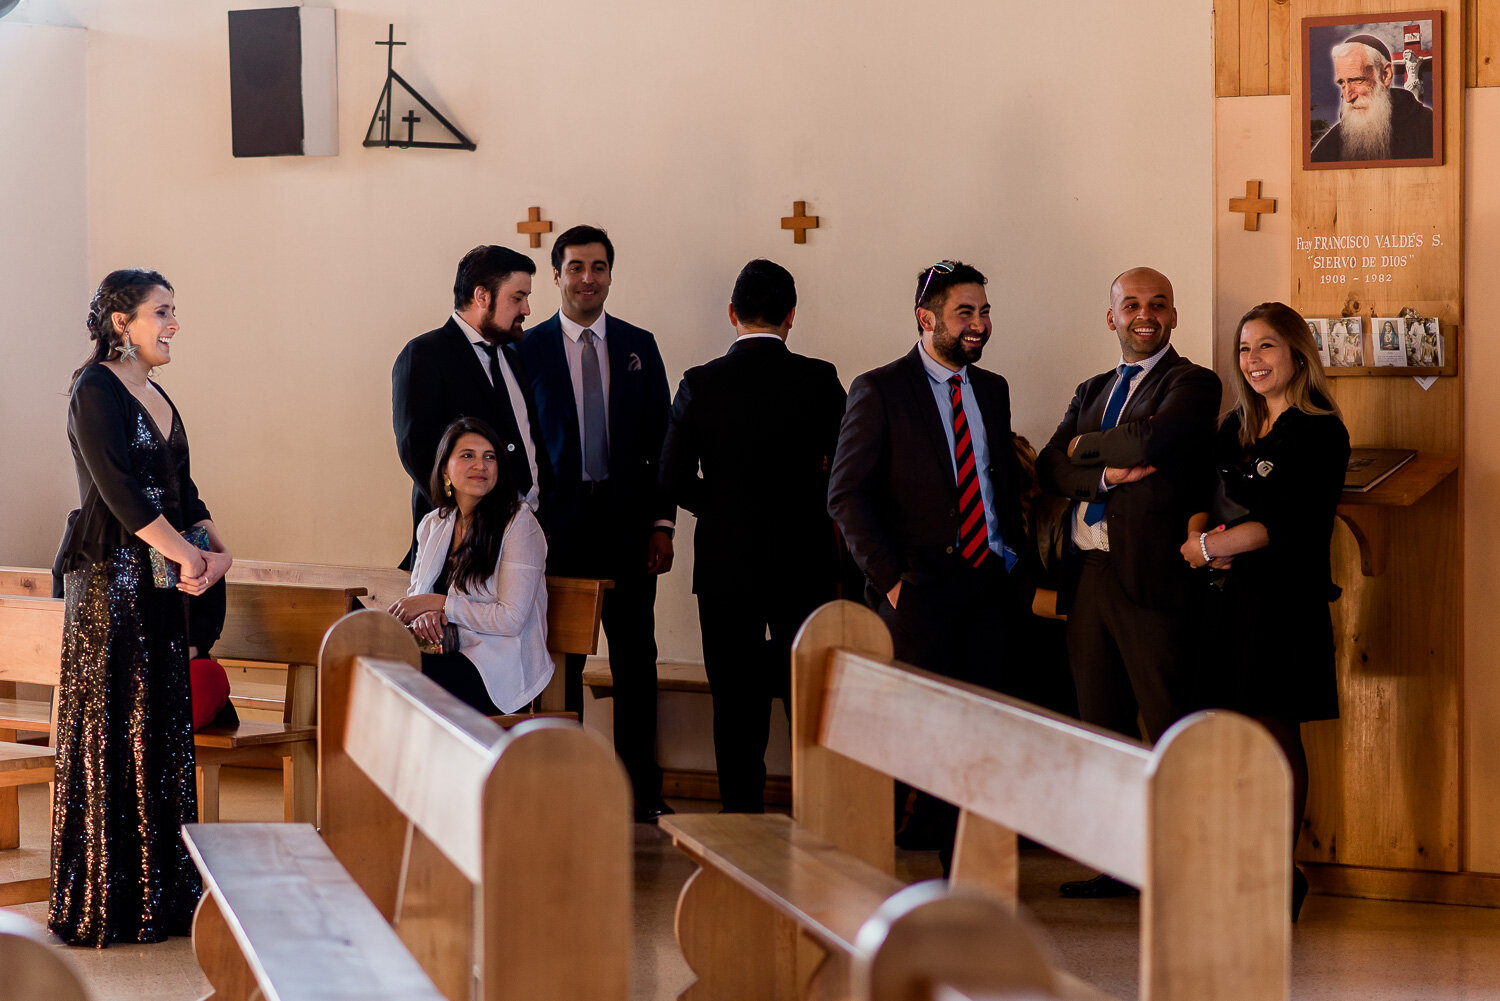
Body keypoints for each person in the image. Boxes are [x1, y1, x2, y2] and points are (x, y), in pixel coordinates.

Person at [827, 260, 1033, 864]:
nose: (979, 324)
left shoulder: (992, 389)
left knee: (980, 735)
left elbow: (996, 480)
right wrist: (890, 581)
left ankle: (966, 873)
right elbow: (846, 494)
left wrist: (1014, 559)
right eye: (965, 312)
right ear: (927, 318)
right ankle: (863, 871)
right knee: (910, 738)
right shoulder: (880, 389)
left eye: (984, 311)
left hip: (989, 586)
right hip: (918, 593)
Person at [49, 269, 233, 947]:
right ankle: (110, 901)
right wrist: (185, 556)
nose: (174, 324)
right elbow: (120, 491)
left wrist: (217, 550)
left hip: (156, 585)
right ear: (121, 322)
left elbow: (182, 486)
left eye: (174, 311)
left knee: (158, 731)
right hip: (110, 585)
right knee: (115, 733)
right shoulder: (94, 388)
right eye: (162, 311)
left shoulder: (156, 393)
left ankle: (163, 896)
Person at [1037, 267, 1219, 898]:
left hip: (1151, 577)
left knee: (1170, 722)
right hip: (1088, 574)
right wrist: (1106, 473)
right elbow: (1049, 466)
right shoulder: (1091, 389)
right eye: (1133, 305)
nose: (1146, 315)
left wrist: (1085, 447)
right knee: (1101, 724)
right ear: (1111, 316)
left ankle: (1189, 867)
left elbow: (1153, 440)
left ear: (1174, 316)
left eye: (1158, 304)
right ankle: (1120, 863)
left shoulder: (1192, 383)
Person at [1178, 302, 1350, 921]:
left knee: (1275, 734)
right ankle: (1236, 867)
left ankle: (1280, 873)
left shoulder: (1319, 431)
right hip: (1223, 602)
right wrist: (1199, 537)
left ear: (1297, 353)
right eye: (1245, 349)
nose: (1253, 360)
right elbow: (1203, 492)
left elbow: (1289, 523)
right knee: (1226, 737)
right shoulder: (1235, 425)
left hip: (1281, 603)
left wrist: (1210, 548)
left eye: (1266, 346)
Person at [659, 259, 846, 813]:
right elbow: (847, 470)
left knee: (734, 696)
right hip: (804, 559)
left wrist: (720, 508)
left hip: (726, 562)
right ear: (791, 316)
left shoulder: (700, 383)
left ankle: (740, 814)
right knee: (808, 693)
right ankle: (820, 811)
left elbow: (669, 477)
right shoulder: (819, 380)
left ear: (732, 313)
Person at [516, 225, 676, 822]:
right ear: (557, 275)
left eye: (599, 267)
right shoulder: (526, 350)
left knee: (636, 658)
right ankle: (566, 789)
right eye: (577, 268)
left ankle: (639, 791)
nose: (589, 279)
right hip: (557, 531)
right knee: (562, 664)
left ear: (610, 274)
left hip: (628, 526)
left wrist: (662, 523)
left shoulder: (639, 345)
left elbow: (663, 443)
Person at [392, 245, 551, 569]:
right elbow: (418, 450)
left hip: (526, 536)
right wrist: (469, 521)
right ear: (482, 296)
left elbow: (529, 439)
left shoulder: (512, 357)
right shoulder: (425, 355)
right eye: (517, 298)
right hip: (461, 546)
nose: (527, 309)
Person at [388, 417, 551, 715]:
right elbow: (418, 600)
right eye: (467, 455)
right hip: (443, 652)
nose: (481, 465)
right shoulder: (433, 524)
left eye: (490, 457)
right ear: (445, 469)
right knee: (357, 656)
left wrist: (440, 604)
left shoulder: (519, 524)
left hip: (494, 669)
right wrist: (426, 617)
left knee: (392, 679)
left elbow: (511, 619)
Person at [1310, 35, 1434, 163]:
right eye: (1342, 83)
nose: (1347, 97)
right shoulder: (1333, 142)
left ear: (1385, 75)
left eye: (1357, 80)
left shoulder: (1430, 128)